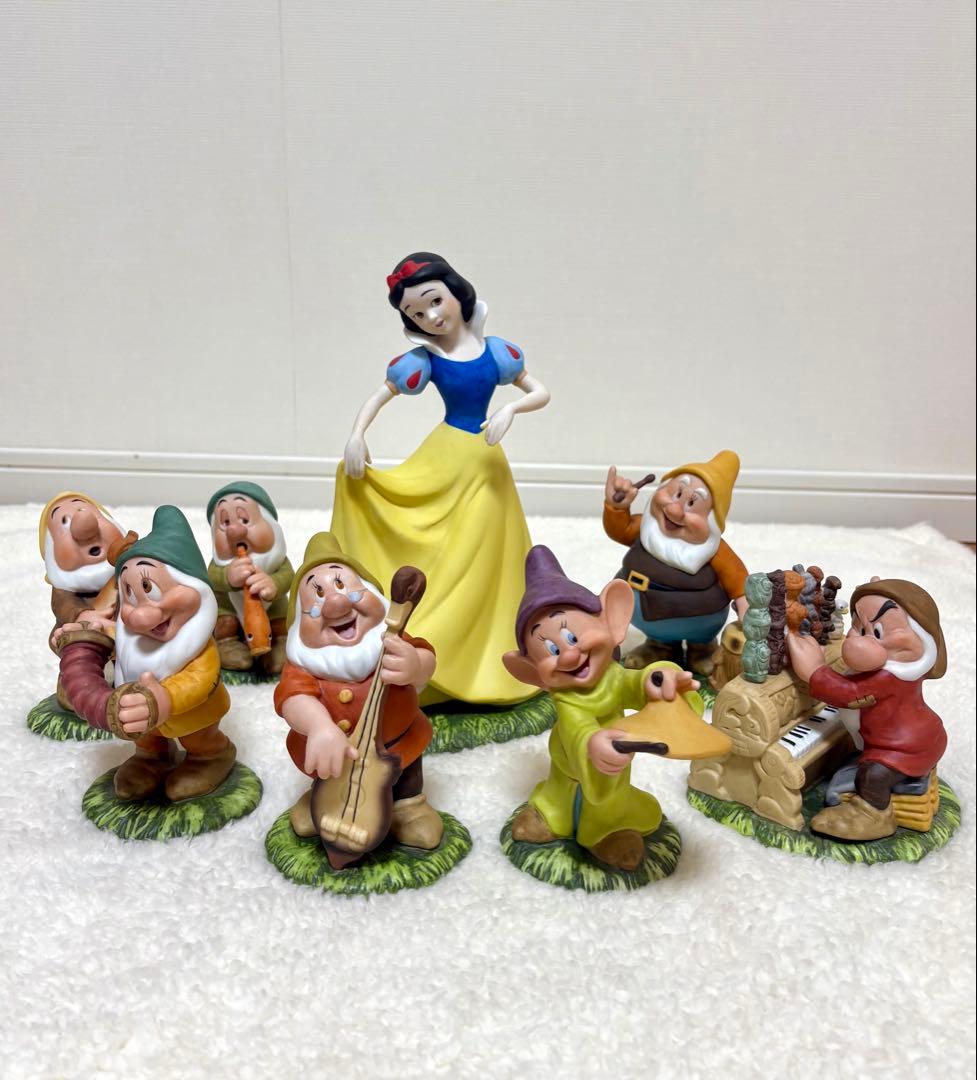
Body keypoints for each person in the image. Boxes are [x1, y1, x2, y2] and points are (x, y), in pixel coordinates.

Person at [331, 252, 551, 706]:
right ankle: (430, 648)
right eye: (416, 313)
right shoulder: (425, 360)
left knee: (485, 551)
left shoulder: (498, 352)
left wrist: (511, 408)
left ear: (456, 292)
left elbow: (540, 391)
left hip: (485, 463)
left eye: (434, 301)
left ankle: (480, 652)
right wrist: (356, 435)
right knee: (437, 541)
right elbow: (380, 396)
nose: (430, 317)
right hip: (445, 456)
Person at [274, 532, 443, 851]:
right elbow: (292, 698)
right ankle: (324, 801)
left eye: (342, 585)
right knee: (329, 774)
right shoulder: (305, 664)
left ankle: (407, 808)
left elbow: (427, 659)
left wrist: (414, 665)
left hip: (396, 744)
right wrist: (319, 727)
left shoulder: (390, 639)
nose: (335, 604)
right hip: (335, 757)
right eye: (316, 598)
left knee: (405, 777)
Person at [787, 577, 948, 841]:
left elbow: (849, 695)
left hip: (905, 747)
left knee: (871, 776)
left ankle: (875, 816)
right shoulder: (897, 670)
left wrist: (815, 670)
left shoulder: (889, 677)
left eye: (878, 632)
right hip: (923, 735)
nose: (859, 641)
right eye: (859, 627)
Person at [603, 451, 748, 674]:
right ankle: (658, 646)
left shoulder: (715, 550)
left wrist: (747, 607)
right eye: (676, 494)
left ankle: (702, 649)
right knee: (657, 643)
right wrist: (617, 507)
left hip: (701, 618)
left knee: (703, 647)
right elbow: (620, 529)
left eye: (692, 503)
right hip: (645, 609)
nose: (674, 510)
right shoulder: (645, 527)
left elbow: (740, 583)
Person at [206, 481, 293, 674]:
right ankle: (227, 643)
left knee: (280, 620)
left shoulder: (278, 561)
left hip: (272, 608)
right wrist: (228, 577)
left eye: (245, 520)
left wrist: (273, 584)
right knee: (225, 621)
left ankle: (280, 643)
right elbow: (211, 578)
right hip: (230, 609)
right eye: (225, 523)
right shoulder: (218, 564)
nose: (235, 531)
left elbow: (288, 577)